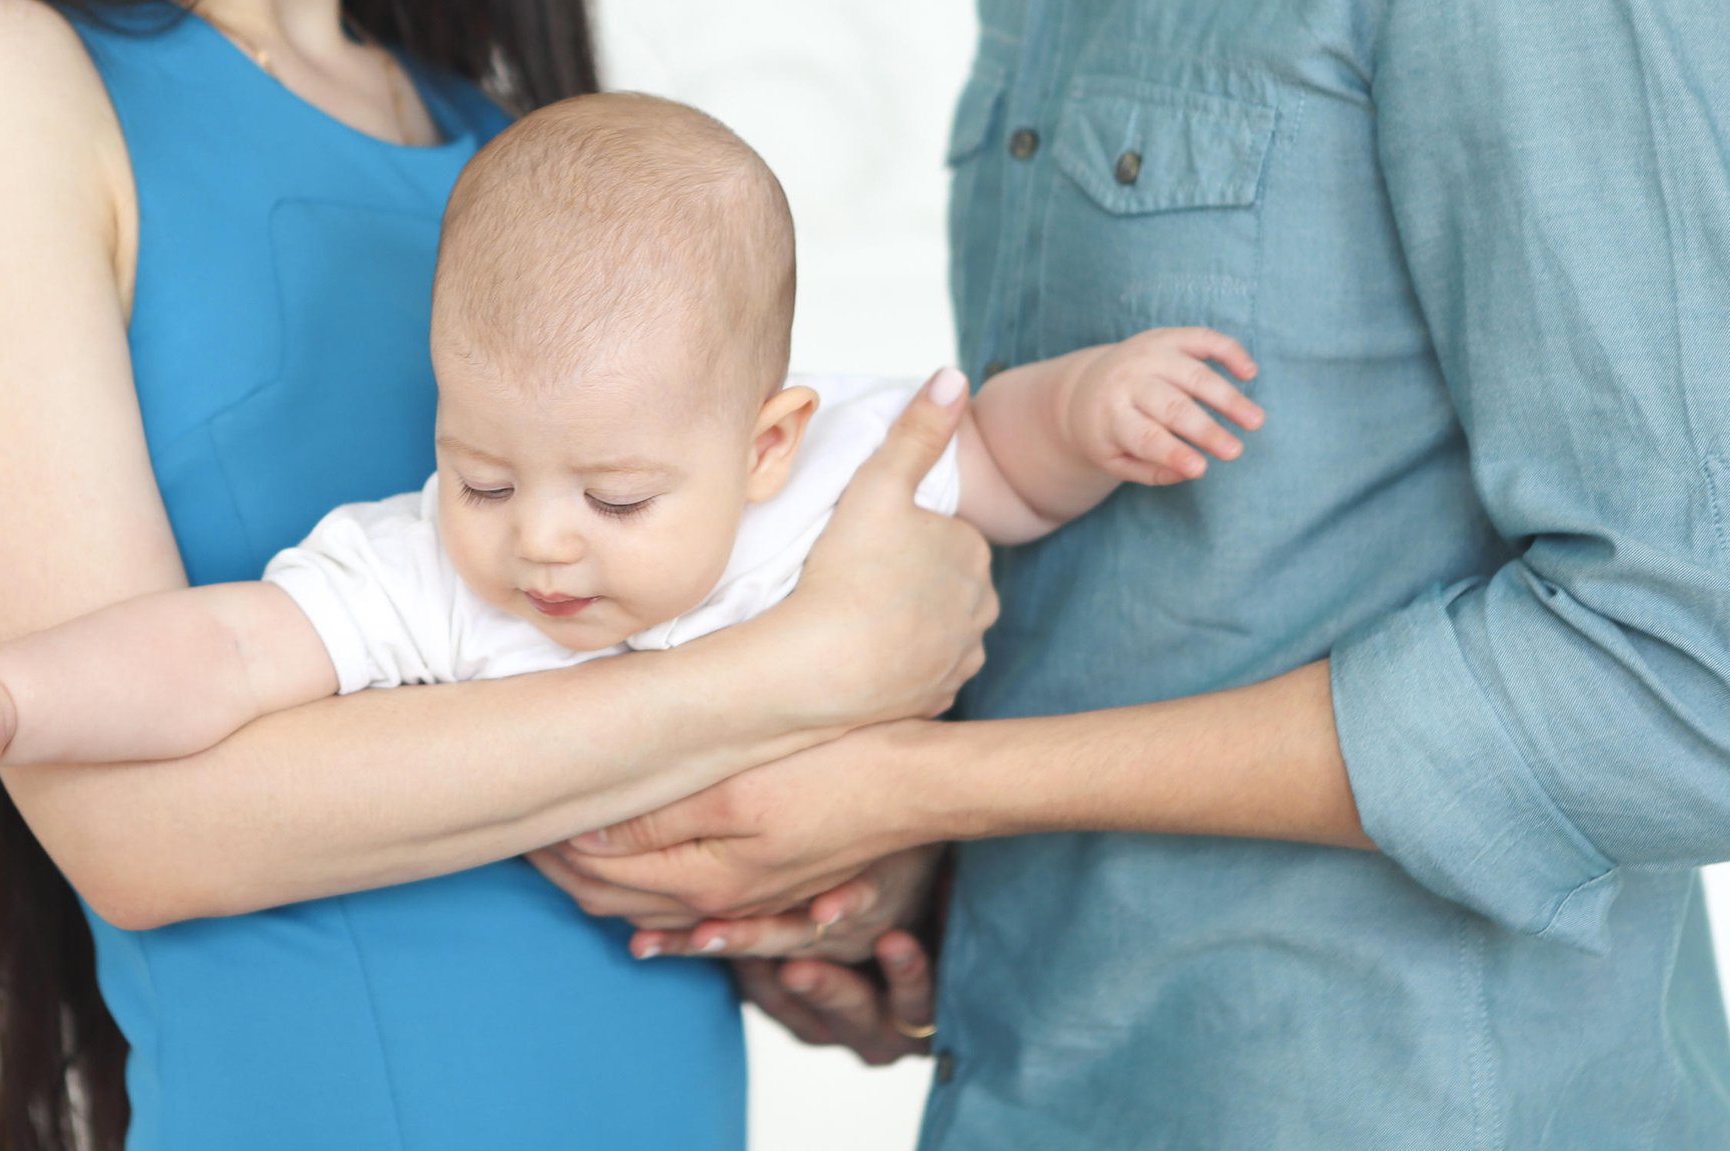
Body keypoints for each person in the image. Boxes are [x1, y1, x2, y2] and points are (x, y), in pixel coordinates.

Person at [0, 3, 1002, 1149]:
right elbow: (138, 829)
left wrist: (836, 888)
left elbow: (623, 710)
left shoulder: (506, 143)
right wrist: (795, 676)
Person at [540, 2, 1730, 1147]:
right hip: (1034, 1067)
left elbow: (1685, 682)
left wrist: (919, 785)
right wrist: (915, 877)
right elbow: (1143, 585)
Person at [0, 93, 1264, 882]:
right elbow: (219, 649)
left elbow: (1003, 453)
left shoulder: (831, 477)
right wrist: (9, 693)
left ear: (766, 443)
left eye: (621, 498)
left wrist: (1098, 401)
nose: (538, 540)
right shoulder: (422, 572)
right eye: (480, 472)